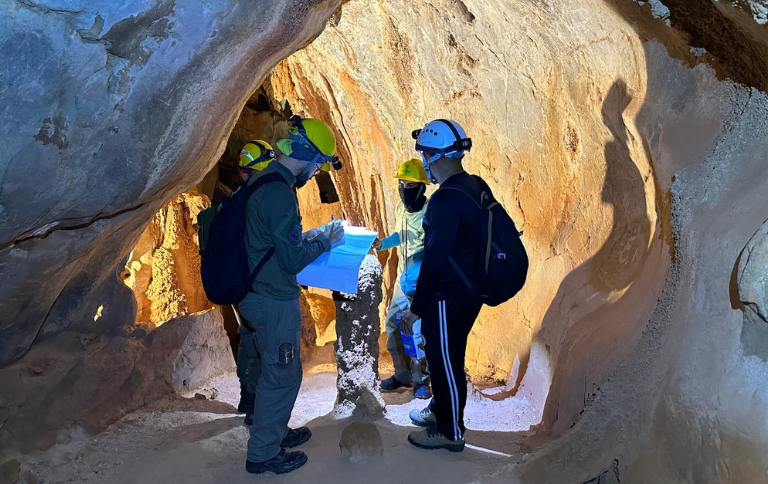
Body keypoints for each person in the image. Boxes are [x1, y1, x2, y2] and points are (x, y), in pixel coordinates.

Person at [238, 117, 346, 474]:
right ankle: (264, 454)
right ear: (305, 154)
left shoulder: (264, 177)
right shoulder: (280, 193)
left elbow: (274, 241)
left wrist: (307, 236)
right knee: (282, 374)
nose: (316, 172)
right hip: (272, 298)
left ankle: (274, 430)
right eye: (317, 164)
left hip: (253, 292)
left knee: (270, 366)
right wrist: (324, 240)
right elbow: (292, 258)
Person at [399, 119, 485, 453]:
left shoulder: (443, 201)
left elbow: (434, 262)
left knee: (446, 360)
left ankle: (450, 432)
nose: (424, 163)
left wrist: (415, 309)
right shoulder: (474, 186)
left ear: (437, 156)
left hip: (450, 295)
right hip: (468, 289)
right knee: (440, 354)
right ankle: (439, 410)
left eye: (425, 156)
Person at [373, 159, 432, 399]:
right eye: (401, 183)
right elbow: (401, 235)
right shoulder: (400, 209)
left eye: (409, 184)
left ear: (421, 187)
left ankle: (421, 381)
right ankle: (402, 375)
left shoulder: (430, 213)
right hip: (401, 281)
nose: (403, 188)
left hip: (421, 282)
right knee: (393, 325)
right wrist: (383, 243)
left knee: (417, 333)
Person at [233, 140, 276, 426]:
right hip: (258, 283)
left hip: (237, 284)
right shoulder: (260, 199)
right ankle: (256, 407)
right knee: (261, 343)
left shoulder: (235, 198)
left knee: (246, 338)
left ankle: (245, 396)